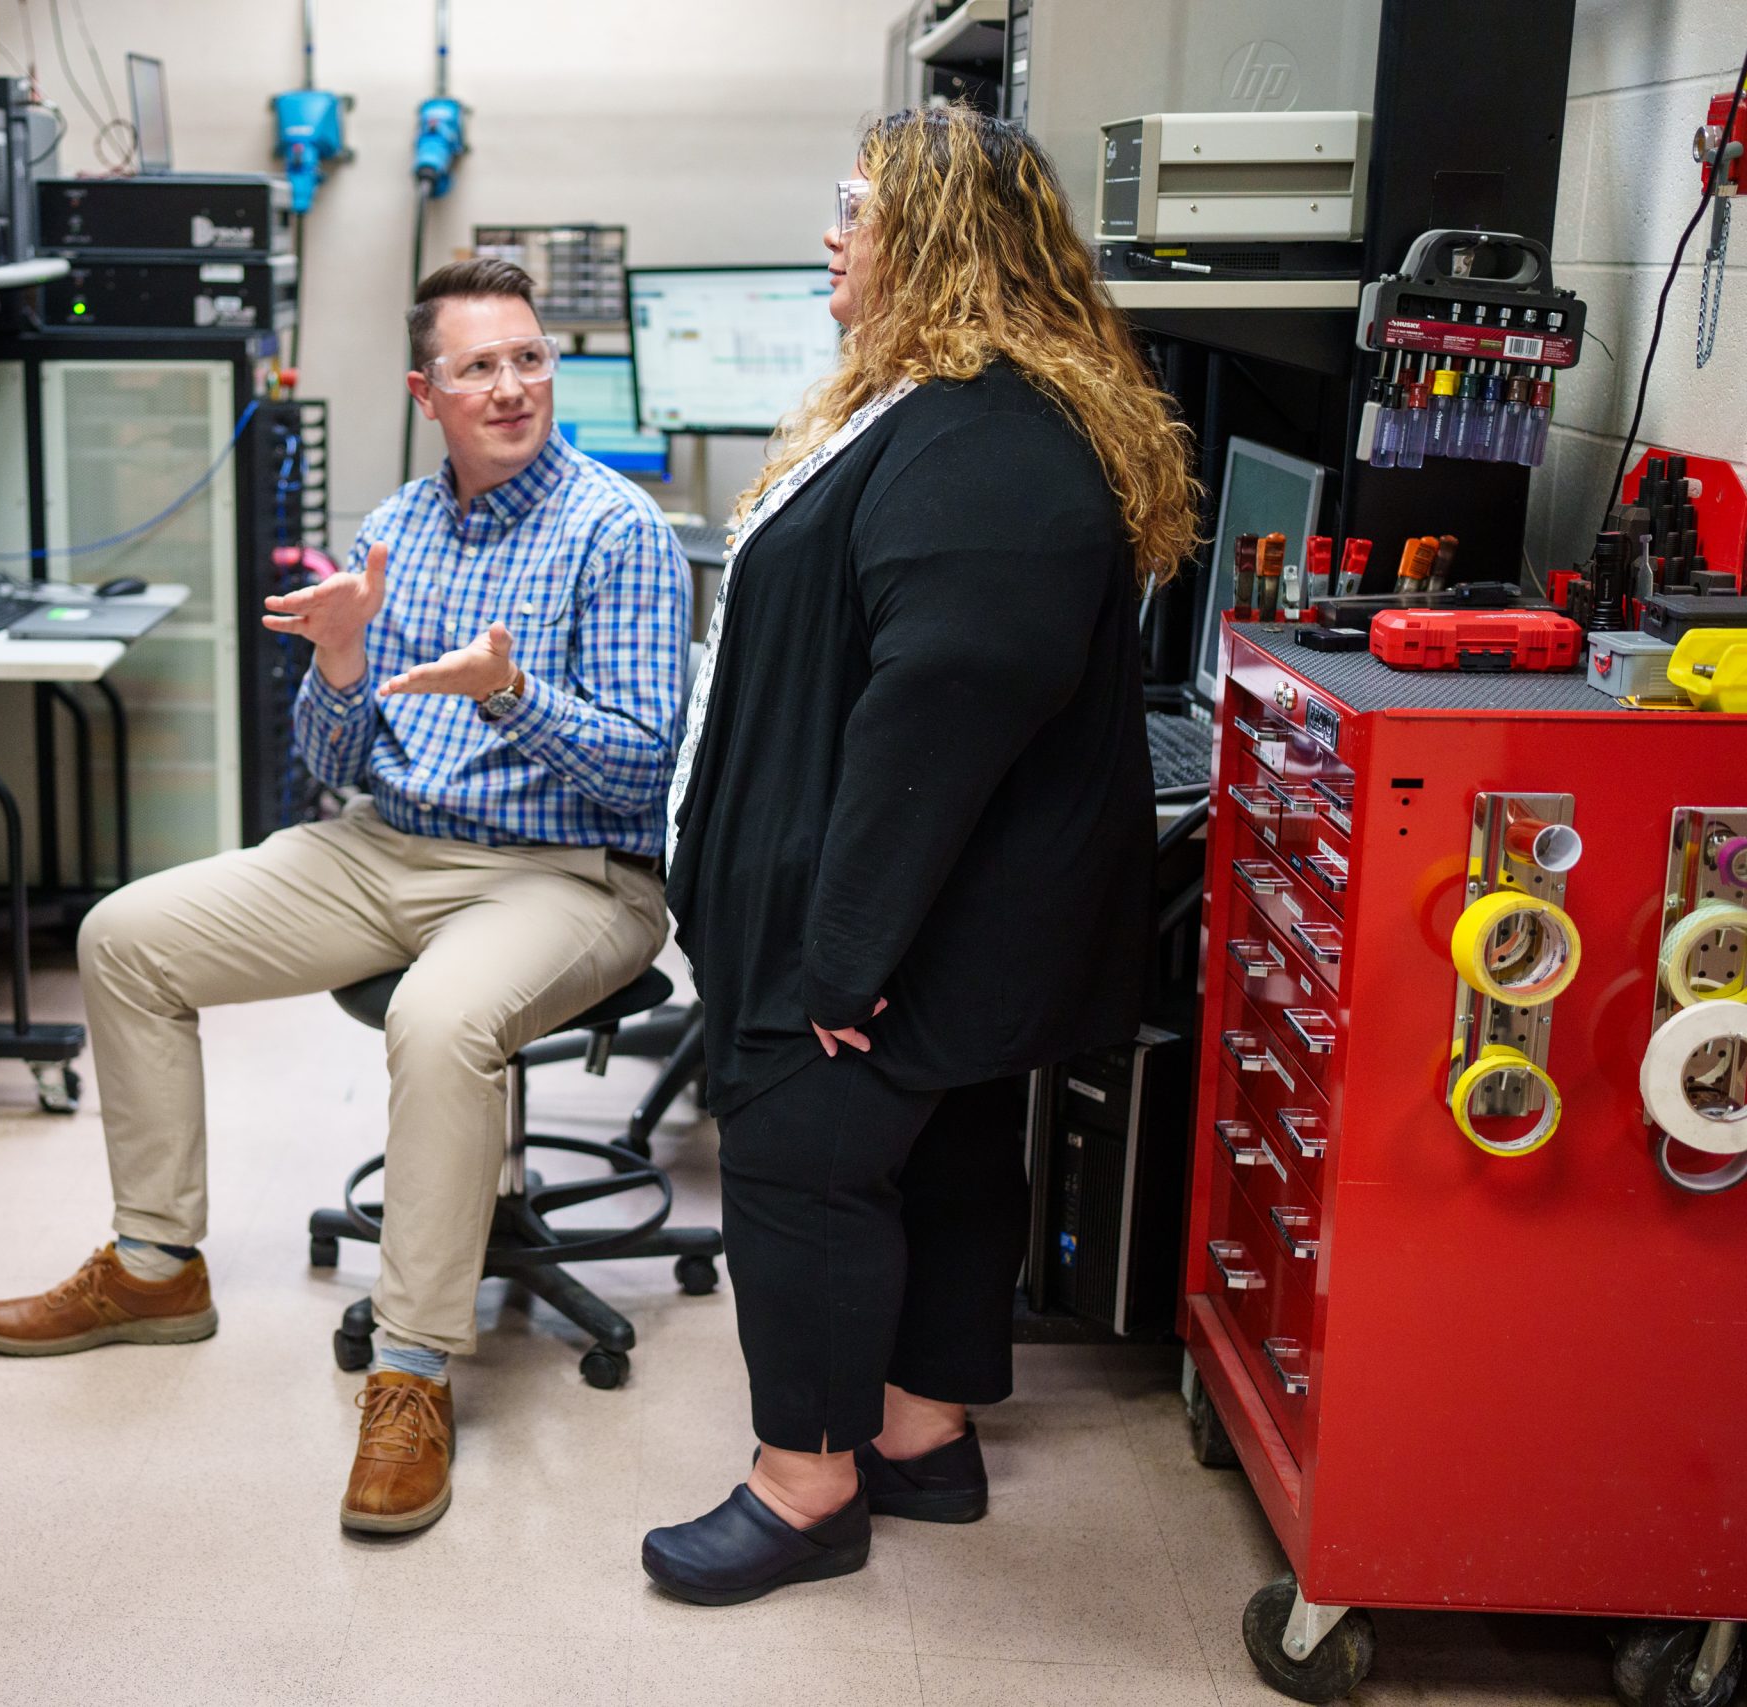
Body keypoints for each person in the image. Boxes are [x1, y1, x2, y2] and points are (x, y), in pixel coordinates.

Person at [0, 259, 690, 1538]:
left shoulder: (615, 528)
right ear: (428, 392)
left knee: (435, 1019)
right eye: (478, 366)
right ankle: (153, 1267)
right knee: (124, 939)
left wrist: (506, 692)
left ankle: (411, 1370)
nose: (512, 385)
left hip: (570, 871)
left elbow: (646, 766)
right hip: (384, 847)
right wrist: (346, 661)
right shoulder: (397, 529)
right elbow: (330, 764)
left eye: (528, 358)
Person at [640, 103, 1198, 1604]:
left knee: (801, 1158)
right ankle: (923, 1430)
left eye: (856, 204)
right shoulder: (949, 407)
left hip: (899, 911)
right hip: (932, 905)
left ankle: (808, 1481)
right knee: (944, 1149)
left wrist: (844, 950)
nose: (832, 230)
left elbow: (940, 715)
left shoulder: (992, 441)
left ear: (942, 238)